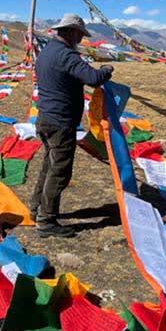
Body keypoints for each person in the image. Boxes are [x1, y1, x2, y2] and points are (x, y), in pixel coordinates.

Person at [30, 14, 113, 238]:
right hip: (60, 123)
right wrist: (106, 70)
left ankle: (36, 209)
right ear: (71, 32)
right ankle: (46, 221)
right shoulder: (66, 55)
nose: (80, 39)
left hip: (46, 119)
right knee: (59, 172)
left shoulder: (47, 51)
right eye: (79, 34)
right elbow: (93, 78)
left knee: (48, 167)